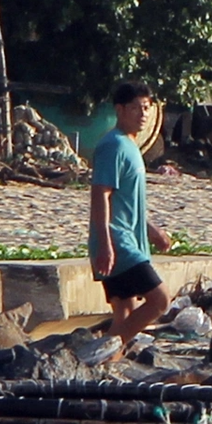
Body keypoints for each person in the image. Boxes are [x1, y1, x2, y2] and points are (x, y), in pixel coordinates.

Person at [89, 81, 171, 350]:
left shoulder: (131, 146)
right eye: (136, 108)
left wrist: (152, 230)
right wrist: (105, 244)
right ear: (120, 110)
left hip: (130, 240)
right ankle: (102, 353)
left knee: (124, 315)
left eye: (146, 107)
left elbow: (127, 201)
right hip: (118, 243)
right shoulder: (112, 145)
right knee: (160, 300)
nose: (143, 114)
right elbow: (101, 195)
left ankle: (107, 364)